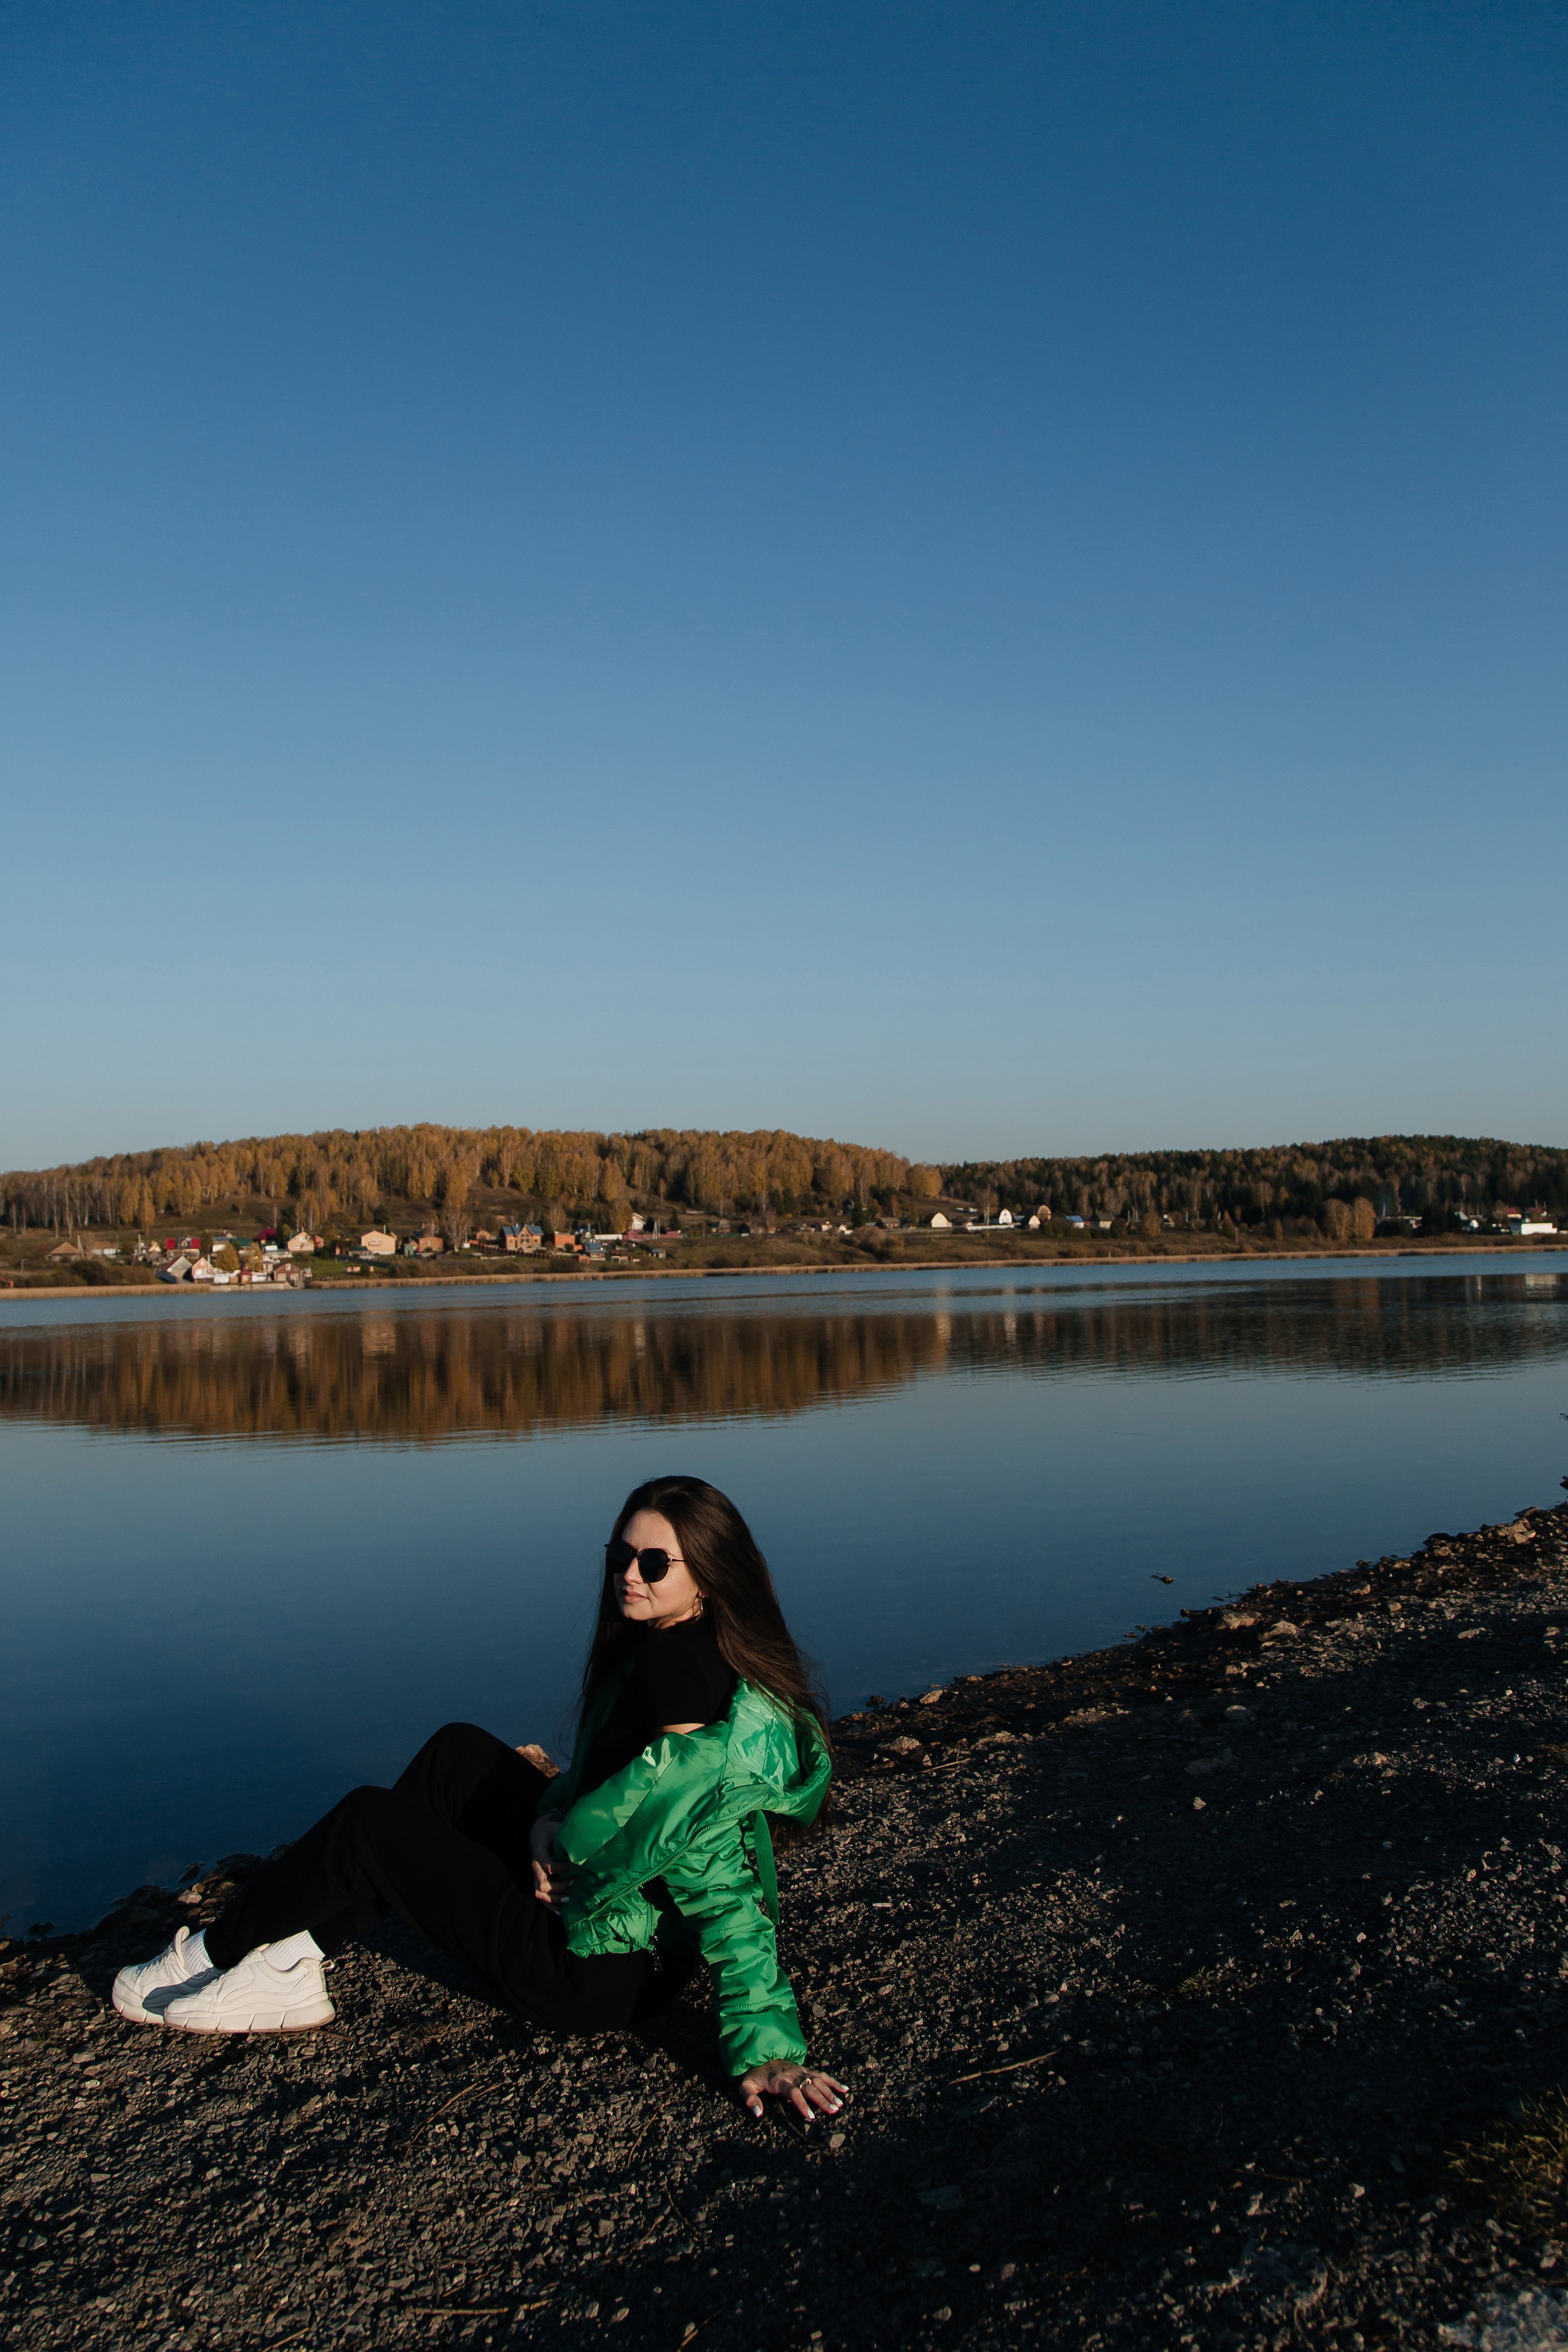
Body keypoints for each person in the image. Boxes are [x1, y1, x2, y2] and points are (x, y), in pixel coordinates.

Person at [112, 1474, 847, 2123]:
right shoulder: (680, 1648)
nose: (629, 1575)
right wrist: (549, 1821)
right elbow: (615, 1787)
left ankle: (214, 1952)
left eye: (654, 1564)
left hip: (587, 1967)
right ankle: (292, 1961)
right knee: (455, 1756)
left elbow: (720, 1880)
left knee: (369, 1822)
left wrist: (767, 2049)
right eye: (620, 1556)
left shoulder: (679, 1683)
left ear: (709, 1575)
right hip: (608, 1915)